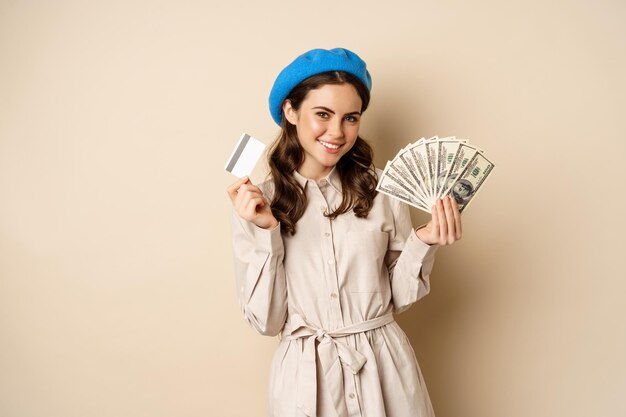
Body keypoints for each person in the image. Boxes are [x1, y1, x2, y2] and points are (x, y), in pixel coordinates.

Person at [226, 48, 462, 417]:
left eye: (350, 117)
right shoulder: (258, 204)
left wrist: (424, 240)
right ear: (290, 111)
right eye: (322, 114)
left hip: (385, 371)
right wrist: (267, 233)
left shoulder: (384, 189)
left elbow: (398, 298)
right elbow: (267, 320)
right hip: (305, 383)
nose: (336, 132)